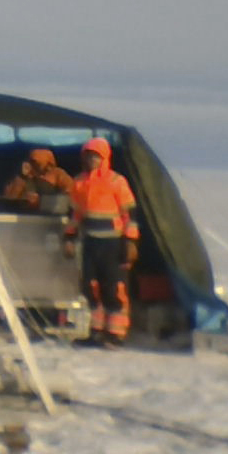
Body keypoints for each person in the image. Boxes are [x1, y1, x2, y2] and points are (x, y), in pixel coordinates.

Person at [63, 136, 140, 347]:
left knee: (114, 289)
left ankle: (115, 333)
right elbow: (74, 215)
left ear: (104, 157)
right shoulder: (78, 182)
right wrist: (69, 237)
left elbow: (129, 215)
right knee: (91, 287)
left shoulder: (117, 181)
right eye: (88, 156)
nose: (92, 160)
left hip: (114, 244)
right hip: (90, 244)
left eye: (96, 156)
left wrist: (131, 241)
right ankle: (96, 331)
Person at [0, 148, 74, 213]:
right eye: (32, 162)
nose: (34, 165)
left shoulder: (58, 174)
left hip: (50, 217)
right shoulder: (24, 175)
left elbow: (71, 195)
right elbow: (9, 199)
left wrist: (42, 201)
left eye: (36, 162)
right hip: (25, 217)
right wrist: (22, 177)